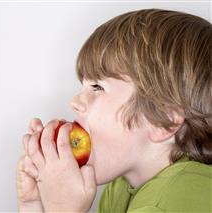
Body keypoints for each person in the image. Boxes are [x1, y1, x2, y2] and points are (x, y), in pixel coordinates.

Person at [16, 8, 212, 213]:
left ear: (163, 119)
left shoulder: (179, 199)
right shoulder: (120, 187)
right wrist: (34, 205)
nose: (75, 101)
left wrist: (62, 209)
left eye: (97, 87)